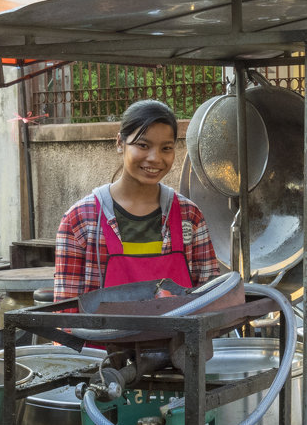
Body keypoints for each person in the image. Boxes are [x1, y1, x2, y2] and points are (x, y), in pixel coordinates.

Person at [54, 99, 219, 300]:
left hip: (179, 332)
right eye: (143, 145)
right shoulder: (80, 220)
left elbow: (211, 299)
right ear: (120, 143)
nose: (155, 158)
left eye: (166, 148)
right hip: (105, 332)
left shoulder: (189, 216)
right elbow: (66, 312)